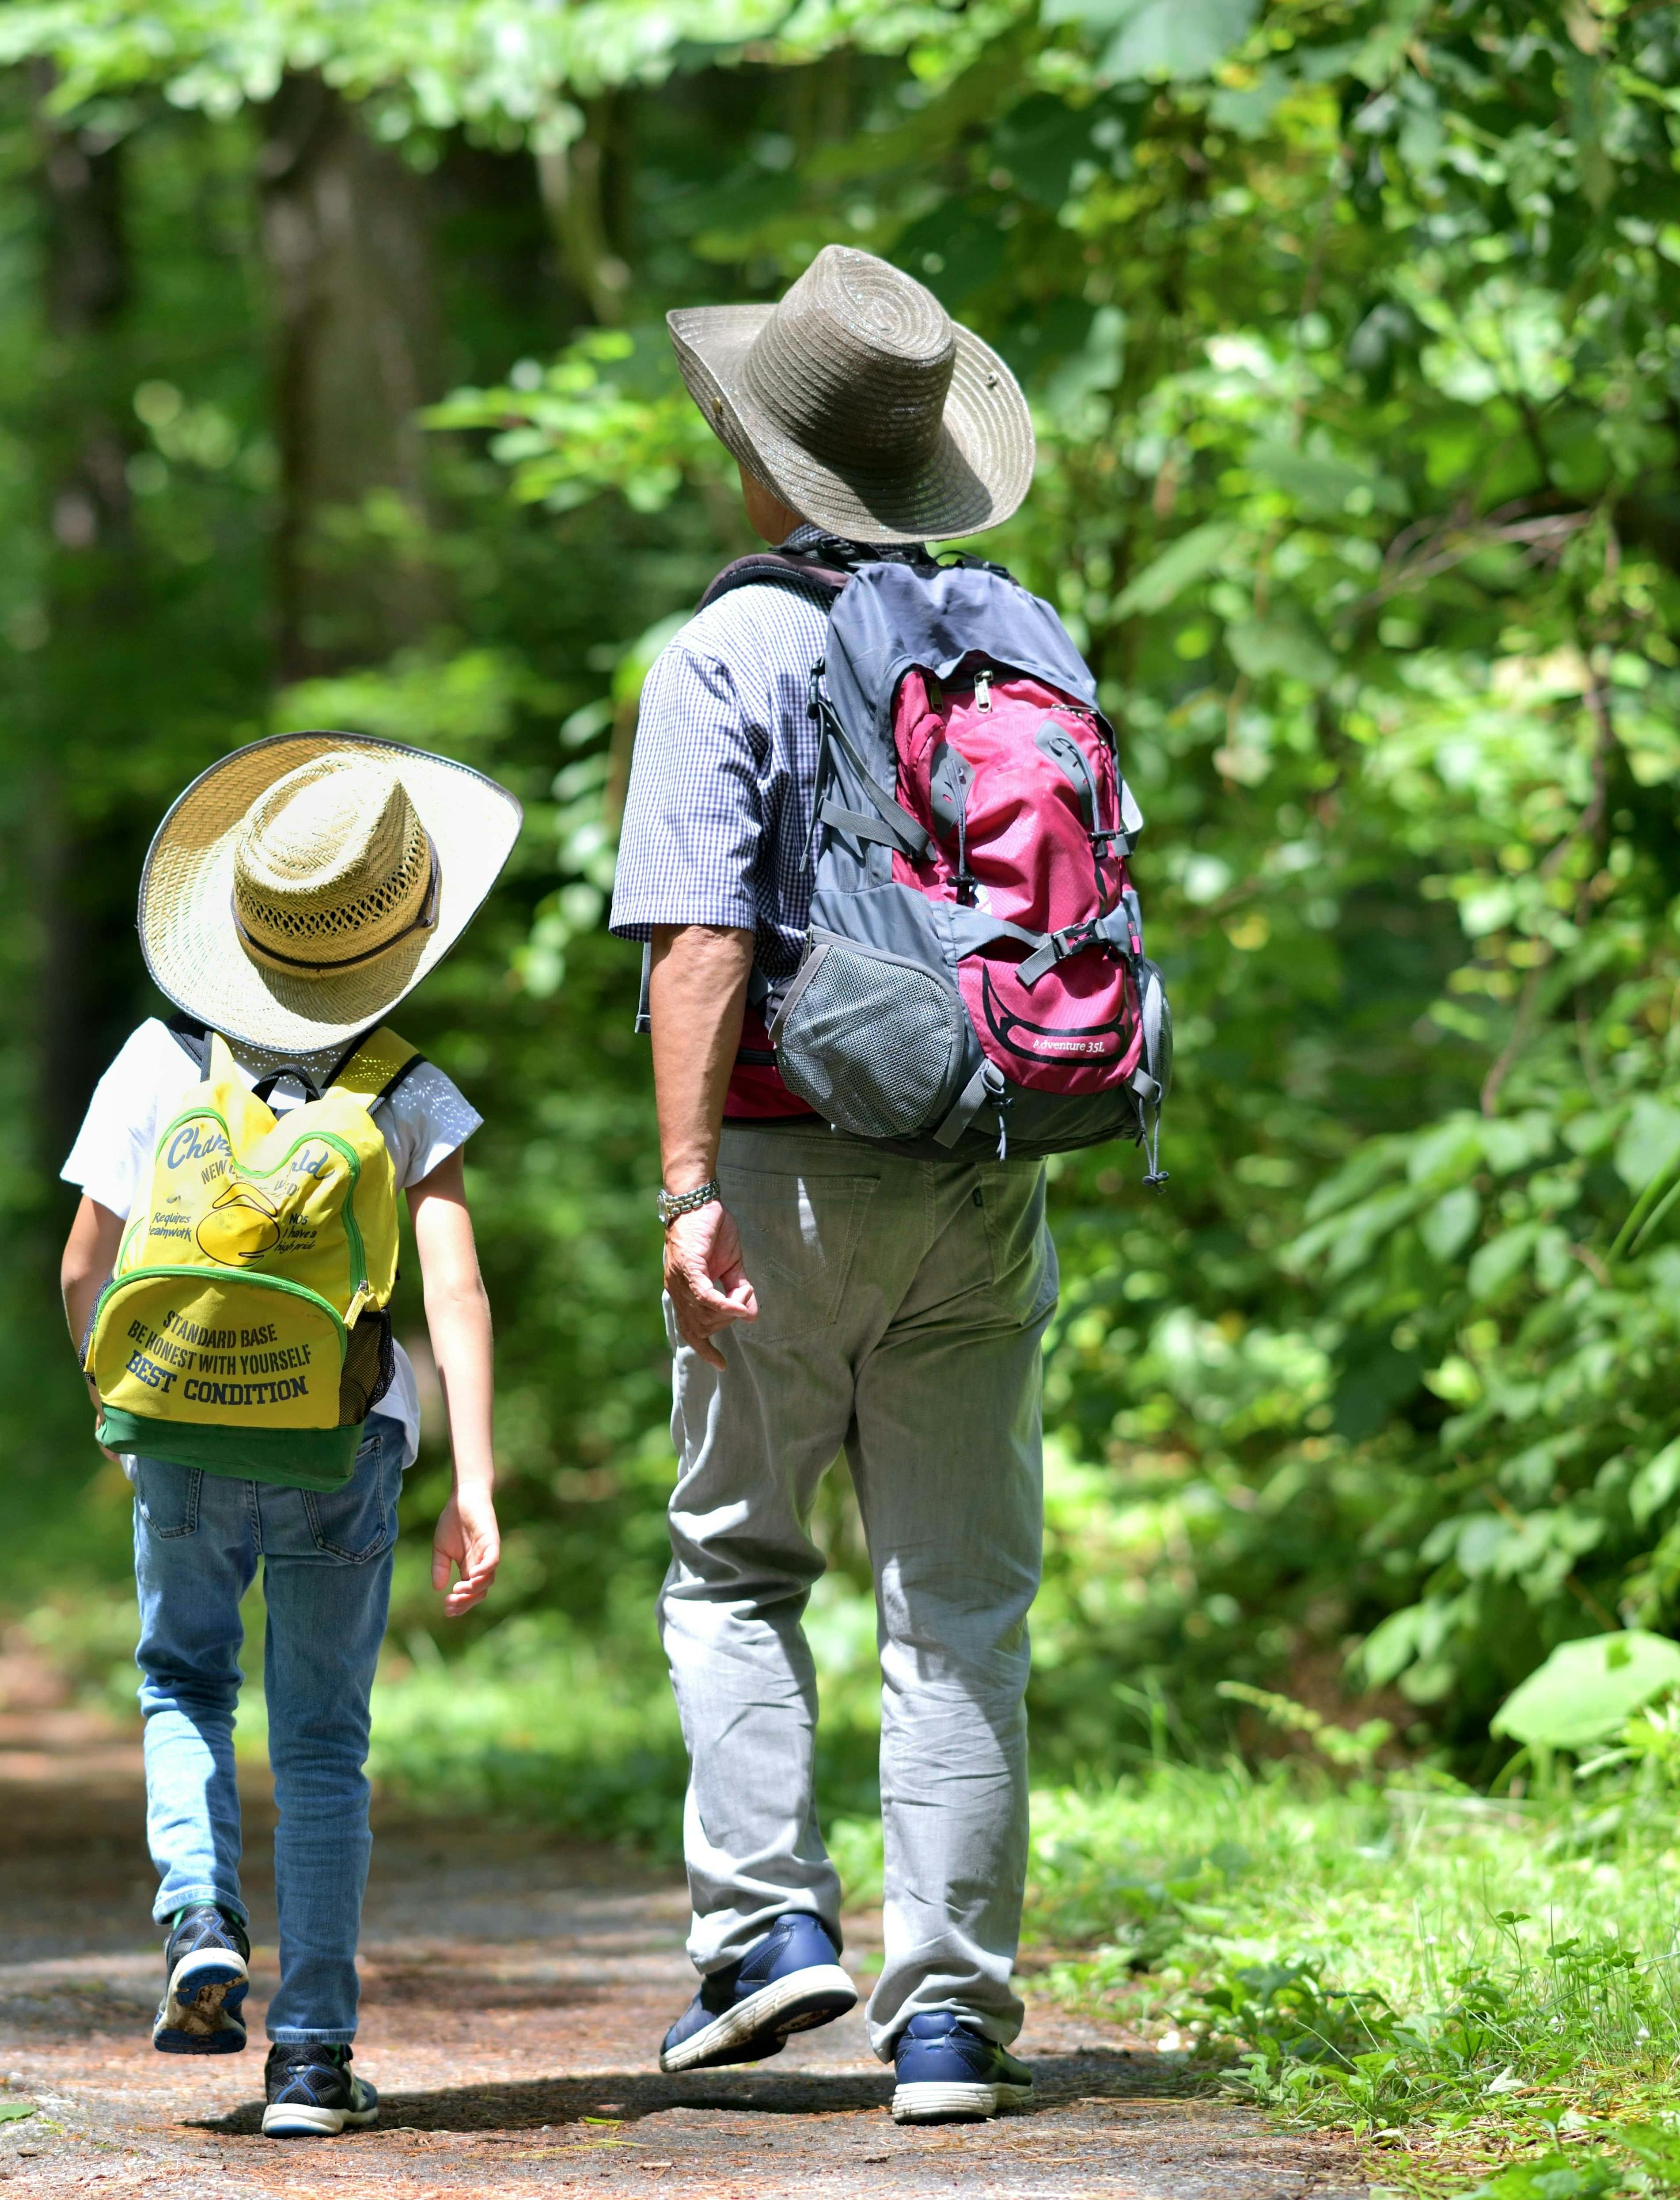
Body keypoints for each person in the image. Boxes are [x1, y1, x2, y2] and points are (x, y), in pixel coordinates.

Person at [610, 244, 1059, 2125]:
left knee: (733, 1564)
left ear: (757, 456)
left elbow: (699, 941)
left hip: (789, 1164)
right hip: (980, 1161)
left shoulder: (723, 650)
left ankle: (764, 1935)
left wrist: (682, 1184)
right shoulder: (1019, 639)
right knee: (954, 1598)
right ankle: (948, 2018)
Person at [56, 732, 519, 2139]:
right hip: (344, 1442)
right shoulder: (406, 1088)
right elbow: (456, 1285)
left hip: (184, 1433)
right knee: (323, 1744)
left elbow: (85, 1265)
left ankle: (199, 1914)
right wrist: (475, 1477)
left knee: (183, 1683)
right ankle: (312, 2057)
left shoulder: (155, 1063)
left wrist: (122, 1409)